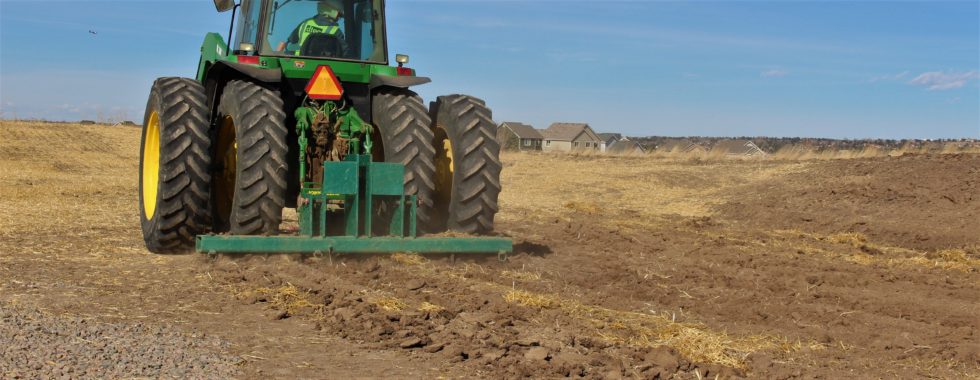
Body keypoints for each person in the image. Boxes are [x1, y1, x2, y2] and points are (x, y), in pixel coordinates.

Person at [276, 0, 348, 57]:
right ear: (333, 12)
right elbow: (344, 54)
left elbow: (289, 46)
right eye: (339, 15)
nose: (339, 18)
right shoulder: (336, 31)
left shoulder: (305, 24)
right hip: (324, 68)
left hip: (297, 66)